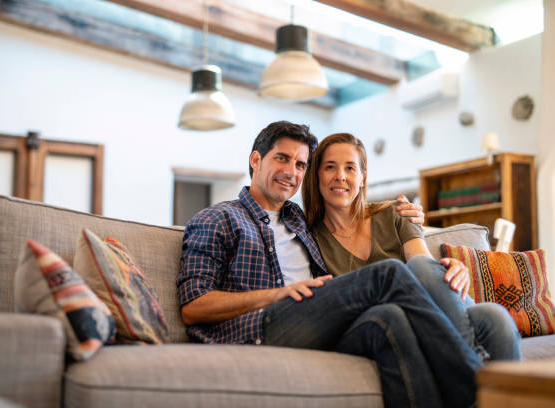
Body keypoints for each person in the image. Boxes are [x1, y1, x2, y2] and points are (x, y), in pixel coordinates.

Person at [177, 121, 483, 408]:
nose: (290, 172)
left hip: (314, 320)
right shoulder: (218, 218)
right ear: (256, 160)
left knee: (389, 318)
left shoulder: (298, 220)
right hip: (259, 327)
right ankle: (479, 388)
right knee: (388, 274)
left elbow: (349, 210)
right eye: (281, 158)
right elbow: (192, 307)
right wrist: (279, 294)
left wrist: (402, 210)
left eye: (300, 164)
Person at [302, 132, 521, 361]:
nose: (340, 176)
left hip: (433, 308)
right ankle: (470, 361)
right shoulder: (310, 238)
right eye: (330, 167)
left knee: (496, 316)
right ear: (317, 175)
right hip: (392, 320)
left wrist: (448, 267)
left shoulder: (397, 212)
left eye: (350, 168)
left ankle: (477, 372)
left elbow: (422, 263)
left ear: (363, 178)